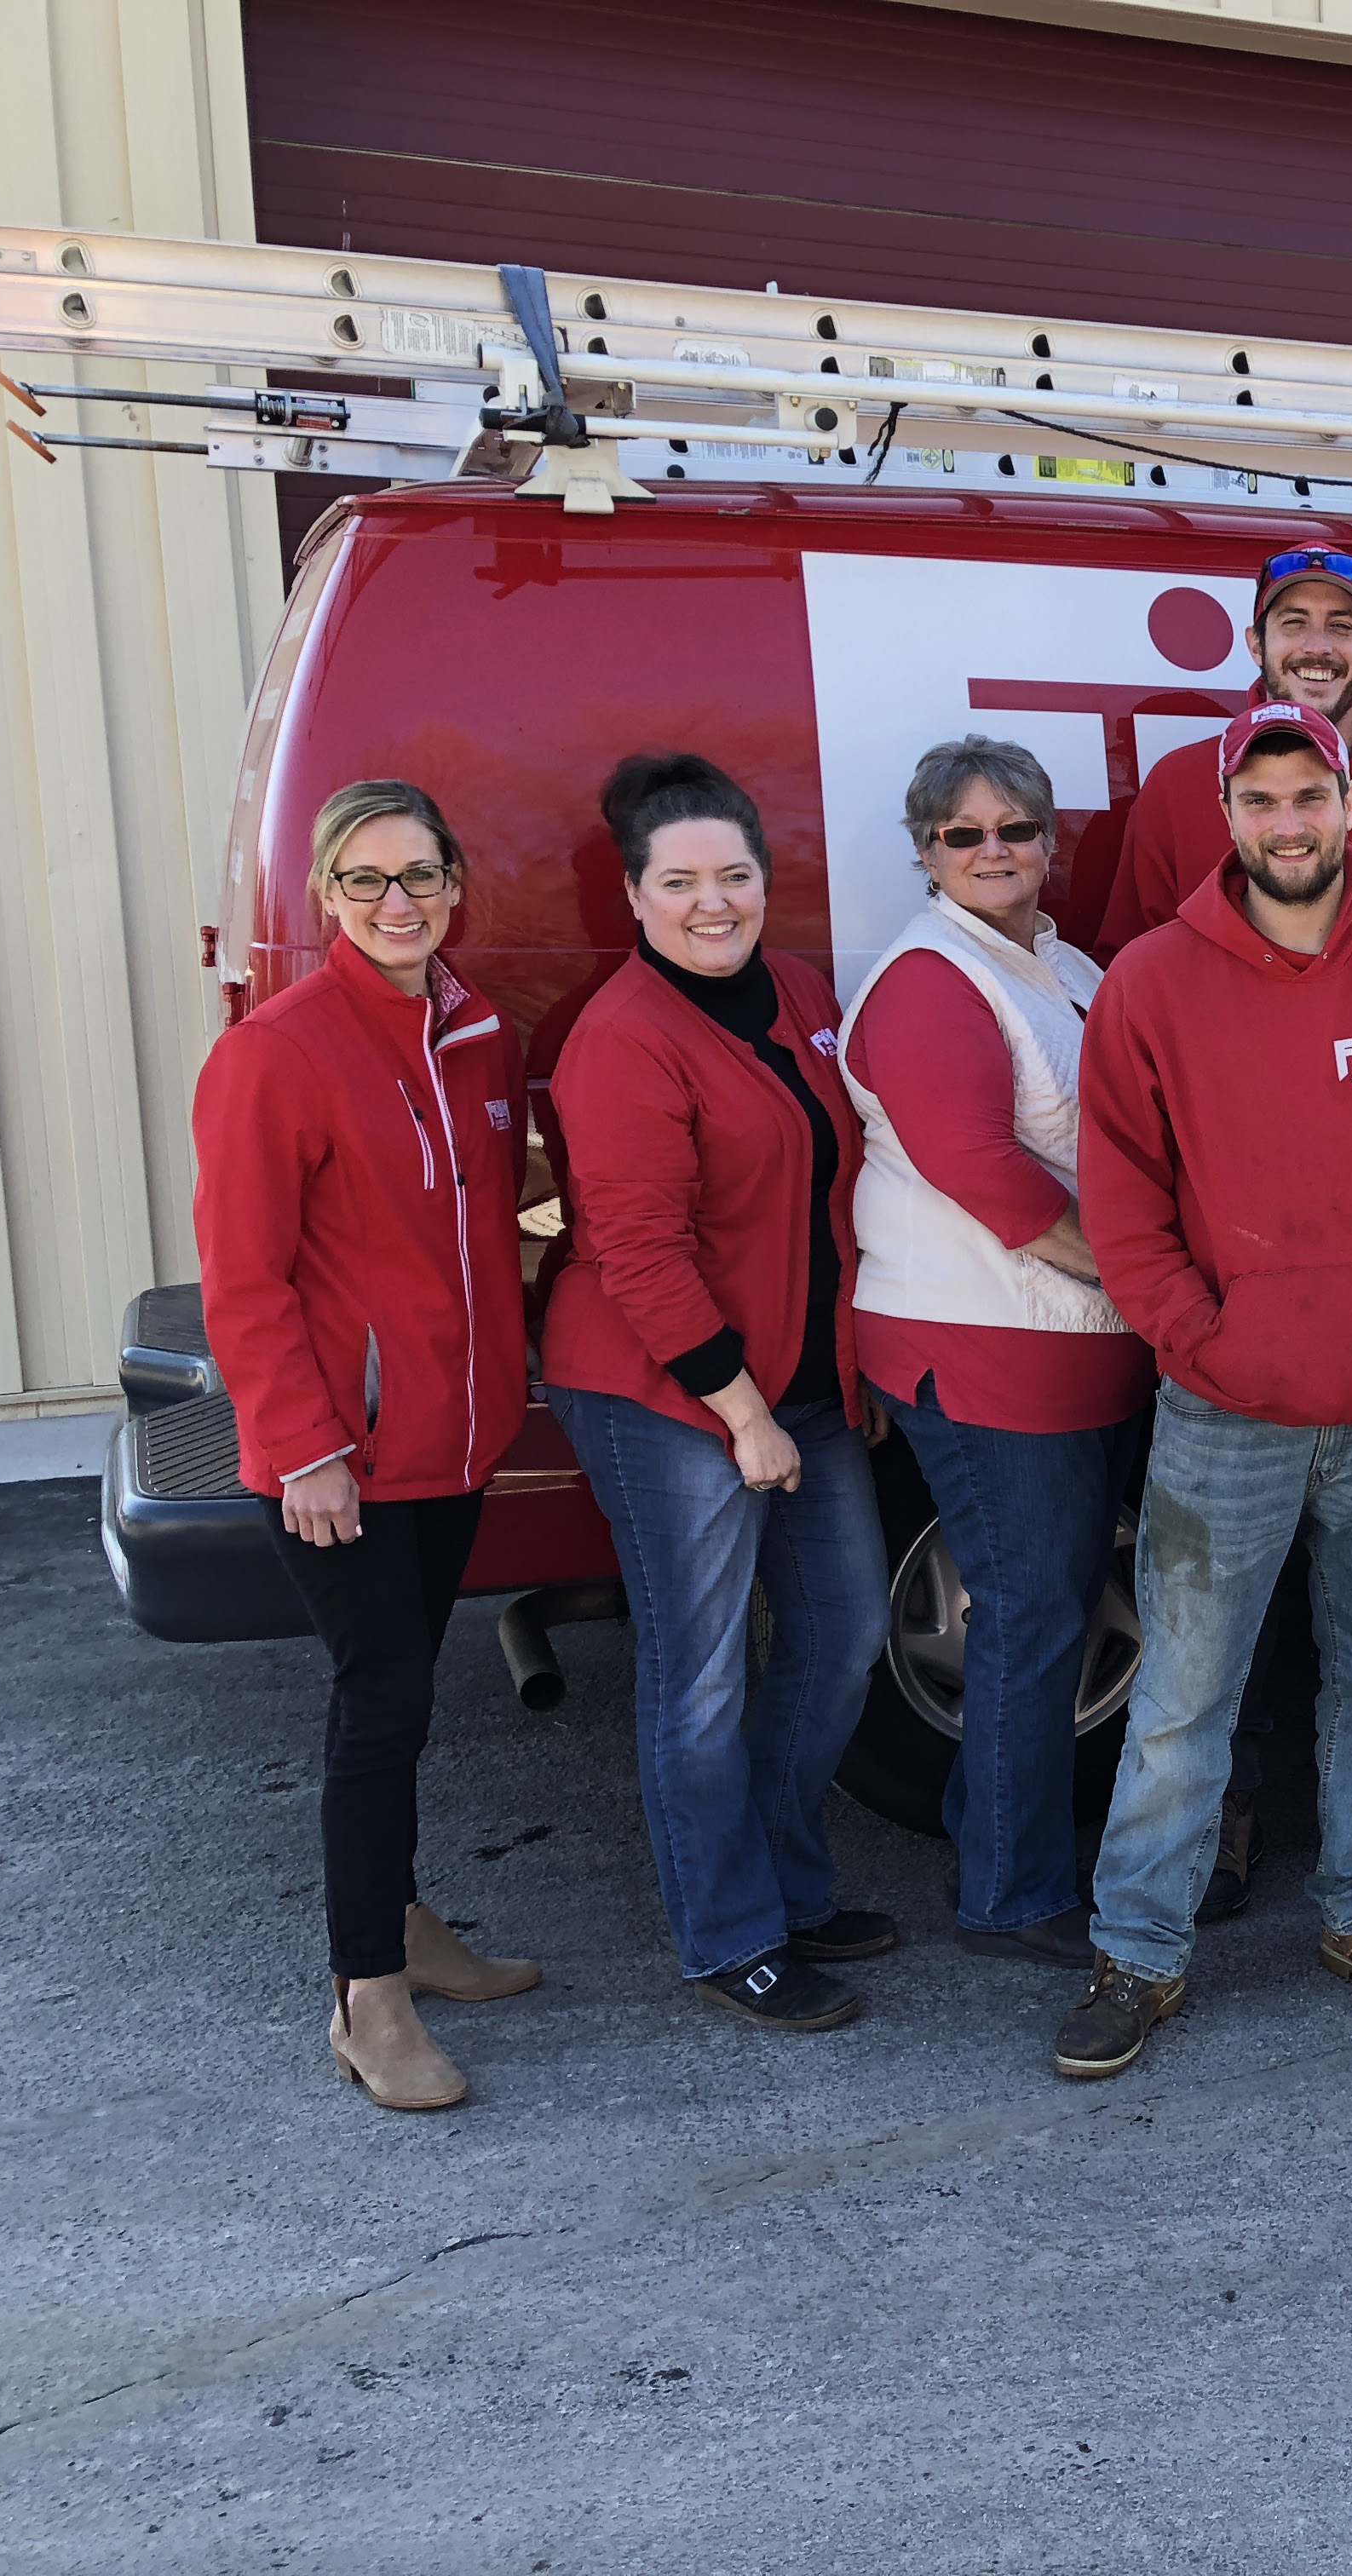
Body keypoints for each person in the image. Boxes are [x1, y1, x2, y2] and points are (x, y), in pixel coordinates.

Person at [1055, 699, 1352, 2079]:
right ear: (1226, 814)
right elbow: (1124, 1200)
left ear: (1348, 808)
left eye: (1307, 795)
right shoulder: (1149, 981)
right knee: (1186, 1695)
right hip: (1223, 1412)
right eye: (1258, 801)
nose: (1286, 822)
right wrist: (1203, 1340)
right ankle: (1137, 1950)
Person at [194, 780, 542, 2112]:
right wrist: (304, 1448)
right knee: (380, 1703)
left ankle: (403, 1926)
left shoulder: (475, 1028)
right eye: (364, 880)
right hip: (342, 1454)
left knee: (406, 1697)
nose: (397, 904)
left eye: (420, 877)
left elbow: (501, 1206)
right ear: (326, 897)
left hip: (450, 1439)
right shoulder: (278, 1052)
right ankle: (367, 1997)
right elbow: (245, 1278)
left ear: (455, 885)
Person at [543, 753, 897, 2033]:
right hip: (666, 1392)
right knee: (698, 1679)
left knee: (848, 1633)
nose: (713, 902)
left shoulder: (800, 991)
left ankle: (793, 1885)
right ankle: (729, 1933)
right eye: (680, 881)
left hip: (802, 1384)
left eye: (734, 875)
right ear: (635, 900)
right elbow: (637, 1251)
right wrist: (741, 1411)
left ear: (765, 881)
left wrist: (833, 1377)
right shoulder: (624, 1039)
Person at [838, 736, 1157, 1969]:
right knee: (1030, 1617)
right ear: (924, 853)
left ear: (1048, 839)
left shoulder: (1059, 961)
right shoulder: (929, 981)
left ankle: (996, 1838)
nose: (992, 853)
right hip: (984, 1345)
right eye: (962, 836)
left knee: (1052, 1606)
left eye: (1013, 830)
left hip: (1069, 1344)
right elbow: (988, 1173)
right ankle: (1014, 1898)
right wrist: (1153, 1281)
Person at [1093, 543, 1352, 952]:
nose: (1318, 647)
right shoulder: (1177, 786)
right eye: (1294, 623)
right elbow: (1131, 969)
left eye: (1341, 627)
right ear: (1256, 644)